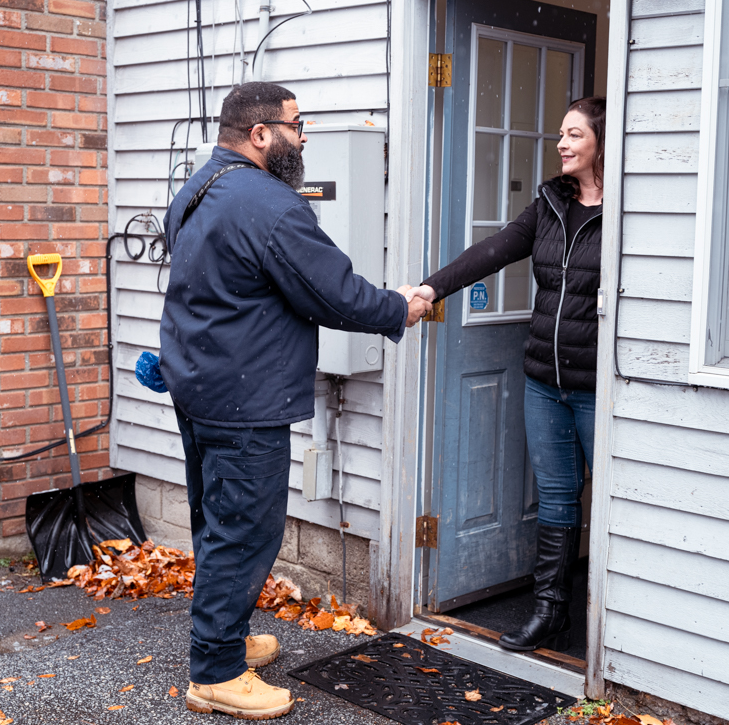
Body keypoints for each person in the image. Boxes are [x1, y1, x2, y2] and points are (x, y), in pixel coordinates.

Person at [159, 81, 432, 720]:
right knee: (245, 530)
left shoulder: (197, 189)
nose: (303, 136)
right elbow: (332, 292)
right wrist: (400, 307)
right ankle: (216, 672)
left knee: (216, 522)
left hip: (198, 387)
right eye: (296, 124)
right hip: (244, 401)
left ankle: (219, 639)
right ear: (260, 134)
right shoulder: (271, 205)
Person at [407, 97, 605, 653]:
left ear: (601, 142)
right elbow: (492, 250)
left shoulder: (626, 209)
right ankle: (549, 614)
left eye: (574, 135)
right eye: (560, 134)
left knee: (614, 499)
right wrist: (430, 287)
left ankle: (616, 628)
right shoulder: (549, 203)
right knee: (558, 497)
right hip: (545, 381)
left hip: (599, 390)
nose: (562, 144)